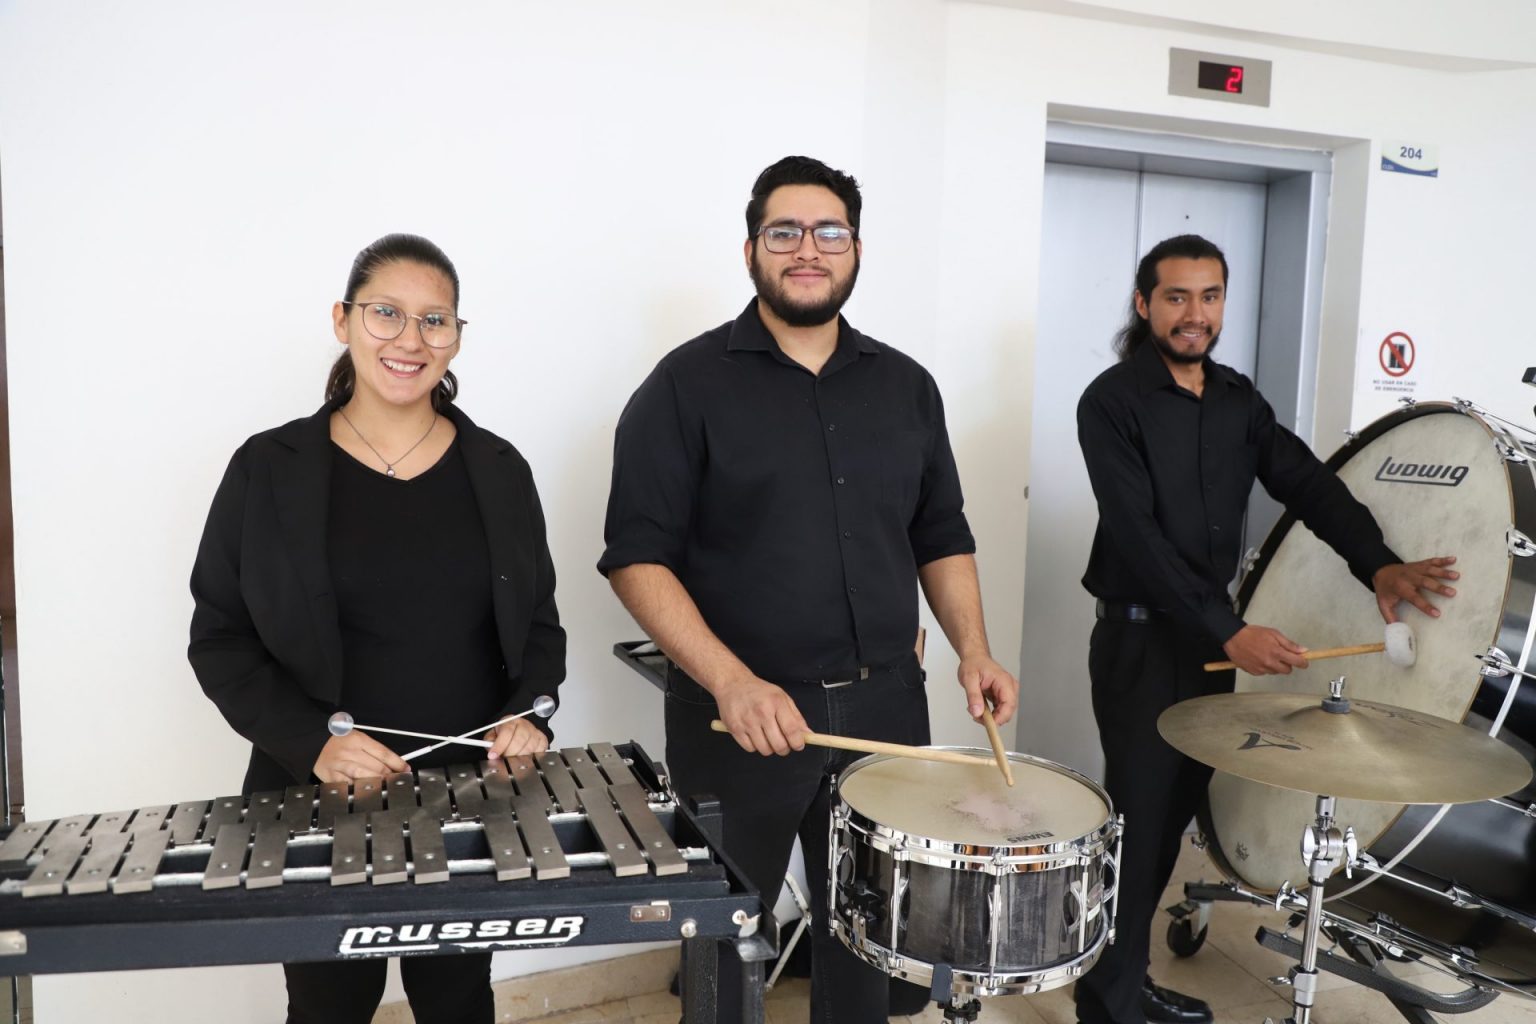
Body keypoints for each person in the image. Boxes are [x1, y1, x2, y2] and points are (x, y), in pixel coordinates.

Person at [598, 155, 1020, 1022]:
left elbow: (941, 534)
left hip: (884, 713)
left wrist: (974, 650)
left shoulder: (907, 386)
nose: (807, 249)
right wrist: (732, 682)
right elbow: (636, 558)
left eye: (829, 231)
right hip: (740, 718)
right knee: (724, 955)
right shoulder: (684, 385)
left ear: (856, 248)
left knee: (871, 955)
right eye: (783, 231)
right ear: (751, 250)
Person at [1074, 233, 1457, 1024]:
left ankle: (1122, 983)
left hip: (1206, 648)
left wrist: (1379, 566)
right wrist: (1228, 628)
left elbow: (1310, 485)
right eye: (1176, 297)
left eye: (1210, 296)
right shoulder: (1110, 402)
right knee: (1138, 826)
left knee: (1171, 822)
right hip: (1140, 642)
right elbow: (1139, 539)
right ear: (1144, 304)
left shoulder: (1239, 401)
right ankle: (1108, 1004)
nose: (1195, 314)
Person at [188, 233, 565, 1024]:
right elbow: (220, 637)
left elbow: (537, 625)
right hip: (311, 795)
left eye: (435, 320)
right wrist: (313, 744)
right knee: (329, 1004)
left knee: (458, 1002)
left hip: (469, 795)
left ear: (456, 337)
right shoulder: (268, 468)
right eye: (386, 313)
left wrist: (528, 713)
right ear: (343, 320)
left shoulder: (500, 471)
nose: (410, 339)